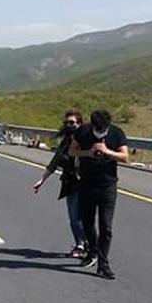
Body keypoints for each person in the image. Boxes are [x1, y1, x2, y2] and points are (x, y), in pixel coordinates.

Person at [69, 110, 129, 280]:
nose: (101, 133)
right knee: (87, 222)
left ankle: (103, 264)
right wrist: (87, 153)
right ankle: (93, 252)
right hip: (87, 184)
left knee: (106, 226)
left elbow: (125, 157)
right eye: (98, 130)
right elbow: (72, 151)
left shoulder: (116, 132)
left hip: (108, 186)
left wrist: (107, 151)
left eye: (104, 130)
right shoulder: (84, 131)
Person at [32, 110, 87, 258]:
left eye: (73, 123)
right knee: (74, 217)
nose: (70, 125)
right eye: (67, 123)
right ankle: (82, 243)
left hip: (85, 183)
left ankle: (84, 245)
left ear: (80, 123)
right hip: (70, 183)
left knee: (80, 217)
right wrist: (41, 180)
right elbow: (54, 162)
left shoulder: (86, 140)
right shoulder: (65, 142)